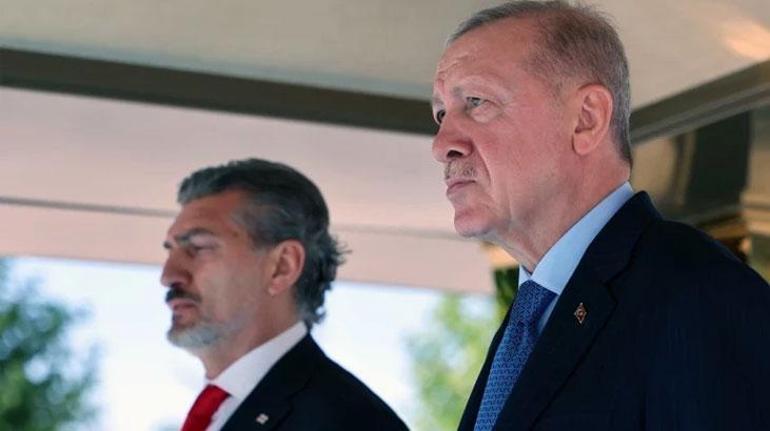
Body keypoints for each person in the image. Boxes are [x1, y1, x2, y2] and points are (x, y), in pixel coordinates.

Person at [431, 1, 770, 430]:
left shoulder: (697, 294)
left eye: (476, 102)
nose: (442, 145)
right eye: (441, 114)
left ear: (586, 119)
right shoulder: (529, 322)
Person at [160, 158, 407, 431]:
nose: (168, 276)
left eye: (199, 247)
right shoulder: (220, 410)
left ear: (282, 266)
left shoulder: (351, 423)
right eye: (170, 250)